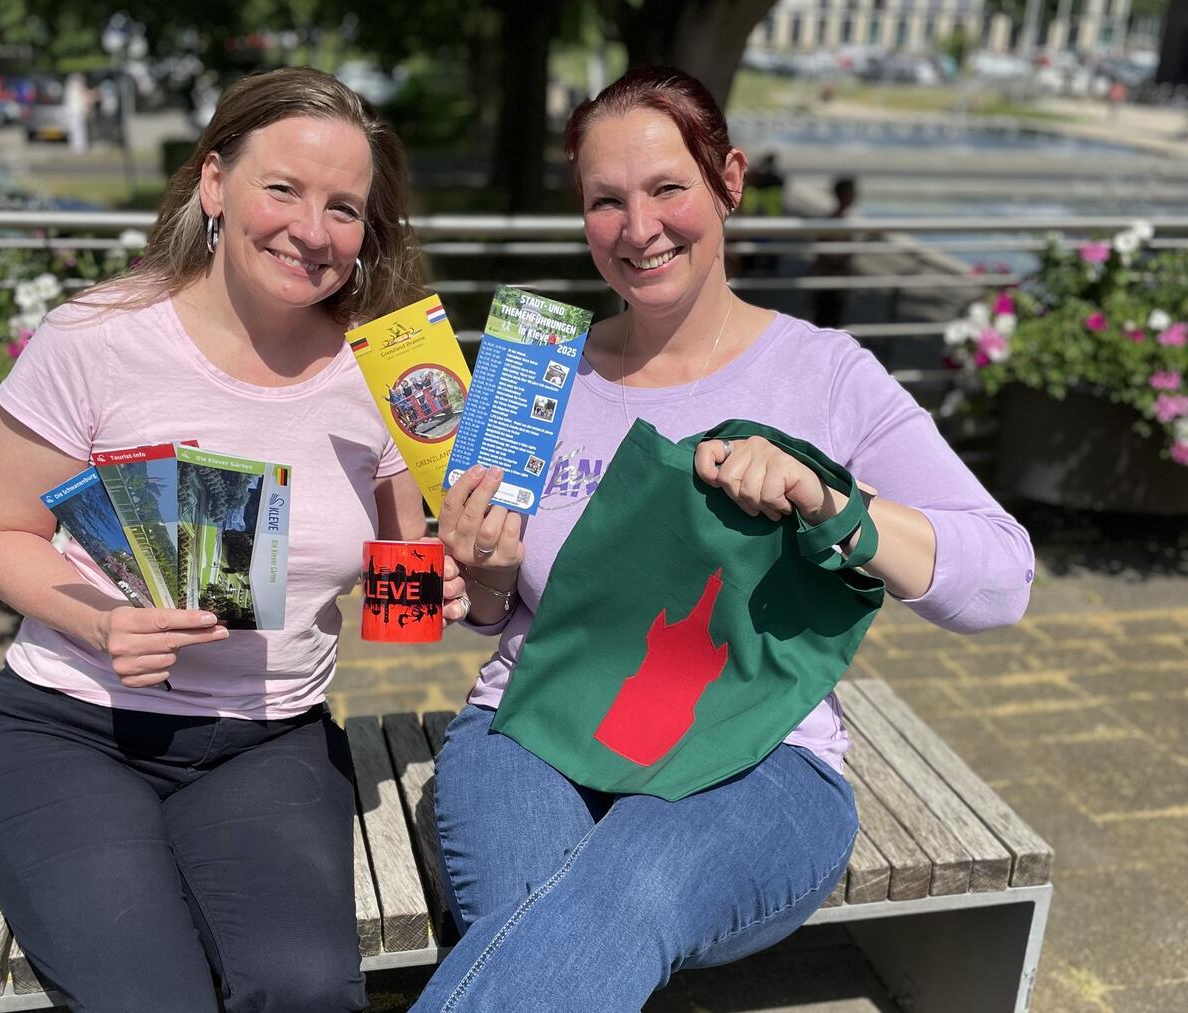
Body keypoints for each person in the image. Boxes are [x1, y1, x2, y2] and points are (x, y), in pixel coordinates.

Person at [423, 66, 1034, 1011]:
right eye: (605, 201)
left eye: (668, 187)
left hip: (763, 752)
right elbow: (492, 611)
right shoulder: (539, 378)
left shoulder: (827, 374)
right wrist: (485, 574)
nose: (638, 229)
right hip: (531, 725)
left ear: (729, 179)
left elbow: (1002, 582)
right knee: (544, 911)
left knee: (621, 890)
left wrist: (836, 505)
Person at [0, 68, 461, 1013]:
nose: (312, 230)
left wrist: (464, 577)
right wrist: (104, 620)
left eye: (344, 207)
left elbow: (405, 595)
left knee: (305, 990)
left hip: (268, 742)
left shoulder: (387, 368)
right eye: (284, 188)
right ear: (213, 184)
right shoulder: (99, 336)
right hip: (76, 727)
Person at [811, 175, 858, 329]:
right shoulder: (833, 221)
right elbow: (827, 254)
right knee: (827, 322)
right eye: (850, 193)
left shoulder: (840, 220)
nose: (853, 197)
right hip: (829, 282)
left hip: (835, 281)